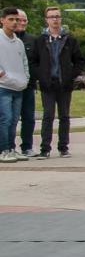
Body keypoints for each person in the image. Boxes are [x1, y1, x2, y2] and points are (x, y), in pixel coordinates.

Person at [29, 6, 85, 158]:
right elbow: (32, 61)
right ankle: (45, 148)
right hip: (48, 84)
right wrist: (41, 76)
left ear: (61, 19)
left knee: (64, 116)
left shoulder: (70, 40)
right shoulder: (40, 40)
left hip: (64, 84)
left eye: (57, 16)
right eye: (52, 17)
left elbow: (79, 61)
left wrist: (70, 76)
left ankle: (63, 147)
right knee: (48, 116)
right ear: (46, 20)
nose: (55, 19)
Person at [0, 7, 30, 164]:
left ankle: (11, 148)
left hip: (18, 87)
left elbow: (24, 62)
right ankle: (3, 150)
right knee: (5, 119)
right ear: (2, 20)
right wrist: (3, 75)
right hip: (3, 87)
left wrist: (25, 78)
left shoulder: (18, 42)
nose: (14, 22)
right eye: (10, 19)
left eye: (16, 19)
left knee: (13, 120)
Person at [14, 11, 37, 157]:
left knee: (28, 118)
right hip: (10, 85)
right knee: (10, 118)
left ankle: (27, 147)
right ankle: (8, 147)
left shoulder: (32, 40)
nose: (22, 23)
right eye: (19, 20)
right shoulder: (5, 39)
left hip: (28, 86)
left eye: (25, 20)